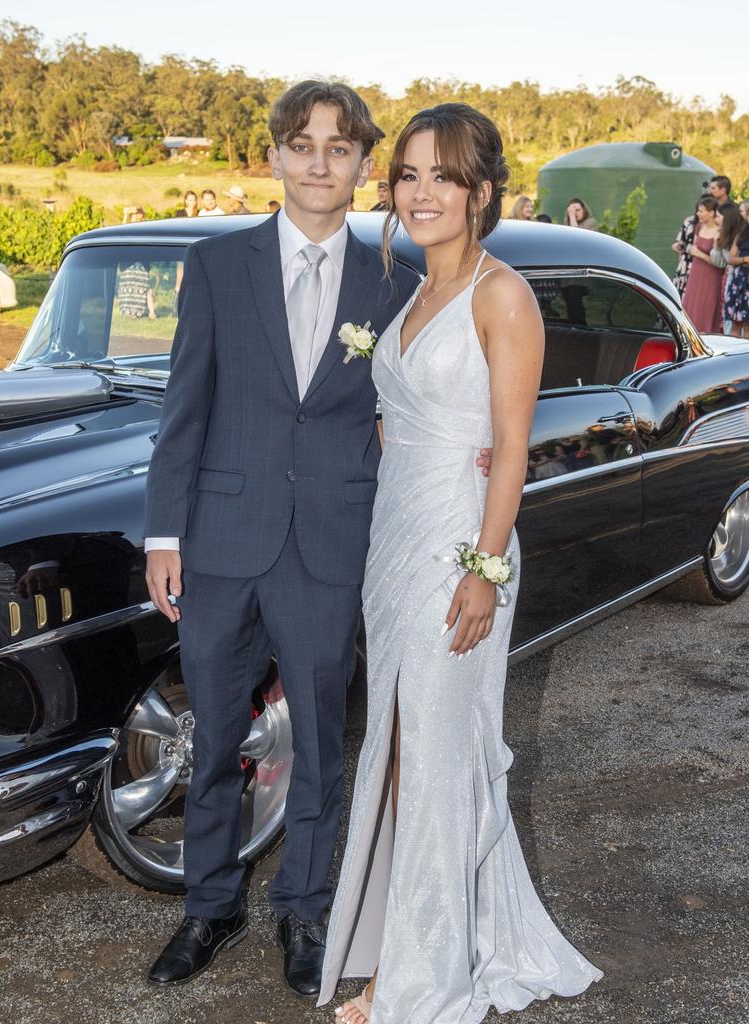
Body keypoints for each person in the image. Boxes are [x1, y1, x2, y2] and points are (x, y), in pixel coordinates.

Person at [142, 80, 425, 998]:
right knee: (216, 739)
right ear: (274, 157)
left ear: (362, 168)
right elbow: (184, 410)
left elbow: (404, 420)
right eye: (302, 144)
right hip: (221, 541)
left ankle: (306, 913)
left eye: (338, 149)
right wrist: (162, 532)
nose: (318, 162)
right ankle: (209, 905)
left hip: (329, 550)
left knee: (316, 744)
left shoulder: (396, 281)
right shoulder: (217, 266)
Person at [321, 102, 603, 1024]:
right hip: (391, 546)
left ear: (480, 191)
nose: (421, 192)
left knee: (438, 755)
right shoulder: (410, 296)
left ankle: (418, 979)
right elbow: (395, 422)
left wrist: (485, 568)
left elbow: (513, 448)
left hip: (457, 552)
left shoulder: (501, 294)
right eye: (408, 175)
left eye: (443, 175)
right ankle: (413, 944)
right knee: (401, 752)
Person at [683, 196, 722, 333]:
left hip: (711, 275)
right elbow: (692, 248)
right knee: (691, 303)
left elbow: (720, 262)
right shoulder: (699, 226)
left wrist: (699, 254)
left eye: (701, 211)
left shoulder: (719, 231)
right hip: (695, 272)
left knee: (706, 305)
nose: (698, 213)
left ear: (711, 213)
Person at [709, 203, 744, 332]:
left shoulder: (741, 236)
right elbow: (719, 262)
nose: (716, 220)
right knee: (729, 316)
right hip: (728, 278)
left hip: (740, 280)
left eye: (718, 216)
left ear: (727, 218)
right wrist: (716, 244)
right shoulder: (724, 235)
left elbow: (732, 260)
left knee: (738, 318)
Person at [671, 196, 706, 297]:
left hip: (701, 267)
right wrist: (677, 246)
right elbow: (678, 241)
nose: (699, 213)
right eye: (698, 209)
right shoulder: (689, 221)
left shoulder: (713, 226)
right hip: (684, 265)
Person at [724, 216, 749, 338]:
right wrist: (744, 259)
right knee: (736, 324)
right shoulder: (741, 235)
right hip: (740, 282)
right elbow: (731, 258)